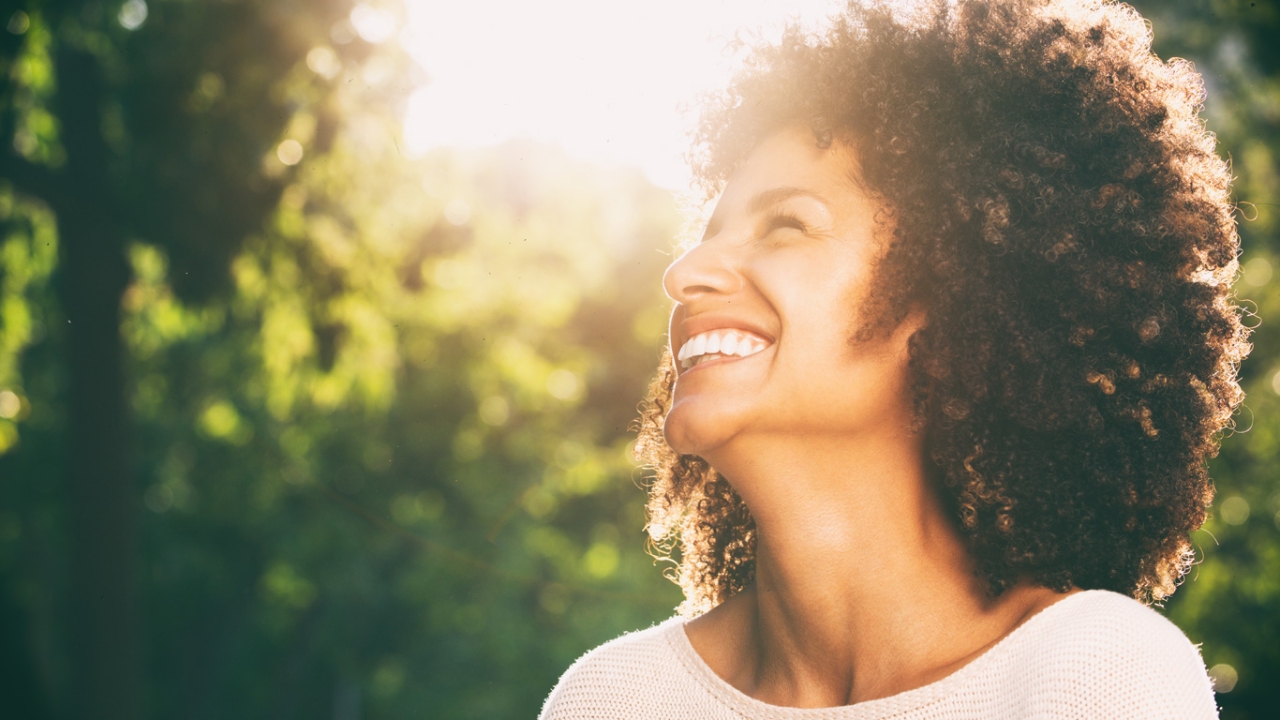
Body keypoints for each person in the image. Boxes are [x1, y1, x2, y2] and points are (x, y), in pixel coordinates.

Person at [540, 0, 1247, 717]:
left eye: (786, 225)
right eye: (709, 232)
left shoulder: (1096, 674)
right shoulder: (612, 699)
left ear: (948, 293)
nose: (685, 273)